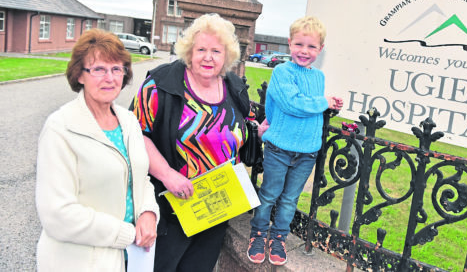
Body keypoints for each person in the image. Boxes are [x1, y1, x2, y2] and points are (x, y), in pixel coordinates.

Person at [131, 13, 252, 272]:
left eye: (216, 51)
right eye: (202, 49)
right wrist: (167, 175)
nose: (208, 57)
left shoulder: (235, 87)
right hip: (171, 208)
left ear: (226, 56)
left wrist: (260, 131)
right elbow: (136, 133)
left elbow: (245, 125)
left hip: (215, 209)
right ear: (189, 51)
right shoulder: (160, 85)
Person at [35, 29, 159, 272]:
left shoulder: (129, 121)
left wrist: (148, 213)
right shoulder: (60, 128)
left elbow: (140, 178)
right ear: (80, 75)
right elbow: (57, 215)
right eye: (99, 69)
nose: (110, 78)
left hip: (128, 259)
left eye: (116, 69)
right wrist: (126, 233)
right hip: (77, 262)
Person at [247, 16, 343, 265]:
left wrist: (331, 106)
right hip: (279, 147)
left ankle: (278, 237)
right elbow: (293, 104)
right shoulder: (282, 71)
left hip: (307, 151)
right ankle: (258, 233)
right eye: (299, 44)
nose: (304, 51)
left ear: (320, 49)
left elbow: (312, 108)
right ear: (290, 44)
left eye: (312, 47)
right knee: (269, 194)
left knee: (290, 199)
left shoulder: (319, 77)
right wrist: (324, 102)